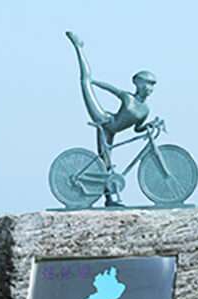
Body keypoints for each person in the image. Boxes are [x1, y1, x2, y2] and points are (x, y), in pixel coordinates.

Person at [66, 31, 160, 207]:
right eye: (147, 84)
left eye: (152, 85)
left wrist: (149, 126)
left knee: (106, 164)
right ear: (139, 84)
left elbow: (137, 128)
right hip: (104, 120)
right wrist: (93, 83)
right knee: (85, 80)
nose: (149, 88)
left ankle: (109, 198)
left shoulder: (145, 110)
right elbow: (112, 89)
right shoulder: (128, 98)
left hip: (112, 130)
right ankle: (78, 47)